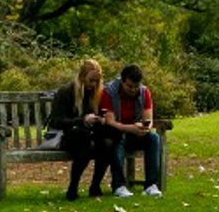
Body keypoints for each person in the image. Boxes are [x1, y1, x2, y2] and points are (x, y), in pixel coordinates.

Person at [48, 58, 112, 201]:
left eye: (97, 81)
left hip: (90, 134)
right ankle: (73, 187)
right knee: (84, 141)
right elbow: (57, 121)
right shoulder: (66, 92)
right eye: (91, 80)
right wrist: (82, 120)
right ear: (82, 77)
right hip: (68, 135)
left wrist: (100, 120)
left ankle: (95, 186)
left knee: (107, 142)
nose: (94, 84)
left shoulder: (97, 93)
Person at [102, 63, 162, 197]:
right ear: (122, 81)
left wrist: (145, 128)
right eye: (129, 86)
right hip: (116, 132)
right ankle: (119, 185)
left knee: (154, 139)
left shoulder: (144, 92)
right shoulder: (109, 92)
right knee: (118, 139)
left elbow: (148, 117)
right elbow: (110, 121)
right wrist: (130, 128)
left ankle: (151, 185)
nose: (133, 90)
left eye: (136, 87)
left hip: (136, 132)